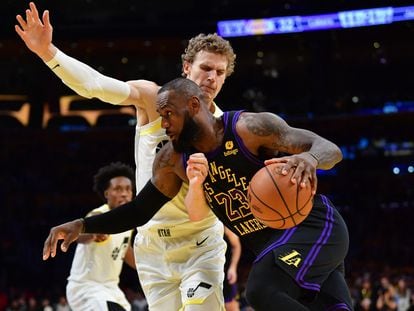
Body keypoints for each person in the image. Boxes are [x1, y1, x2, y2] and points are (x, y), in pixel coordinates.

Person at [42, 78, 353, 310]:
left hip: (314, 227)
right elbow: (140, 210)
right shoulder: (173, 158)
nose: (163, 124)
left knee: (260, 290)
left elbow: (330, 149)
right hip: (273, 245)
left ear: (193, 106)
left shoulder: (249, 128)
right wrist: (82, 225)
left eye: (168, 115)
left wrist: (309, 159)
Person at [16, 3, 236, 310]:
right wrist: (48, 52)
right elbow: (96, 86)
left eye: (220, 72)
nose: (212, 77)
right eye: (205, 68)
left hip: (200, 241)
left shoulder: (226, 129)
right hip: (151, 242)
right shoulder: (152, 98)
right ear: (187, 67)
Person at [66, 162, 136, 311]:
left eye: (128, 189)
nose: (124, 193)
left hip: (111, 289)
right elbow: (81, 236)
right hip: (86, 288)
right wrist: (94, 233)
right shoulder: (98, 215)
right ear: (107, 194)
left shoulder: (128, 223)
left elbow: (124, 250)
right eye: (118, 189)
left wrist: (151, 265)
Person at [223, 227, 241, 311]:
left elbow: (236, 245)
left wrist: (233, 267)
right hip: (206, 271)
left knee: (230, 305)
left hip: (225, 272)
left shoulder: (223, 226)